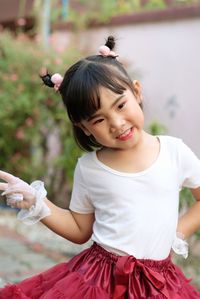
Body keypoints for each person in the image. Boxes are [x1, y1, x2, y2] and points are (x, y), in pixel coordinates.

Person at [0, 35, 200, 299]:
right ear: (85, 128)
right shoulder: (90, 168)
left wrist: (178, 231)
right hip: (100, 282)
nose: (116, 123)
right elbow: (79, 229)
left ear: (136, 92)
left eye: (120, 105)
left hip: (160, 284)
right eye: (99, 119)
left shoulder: (174, 152)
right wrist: (37, 203)